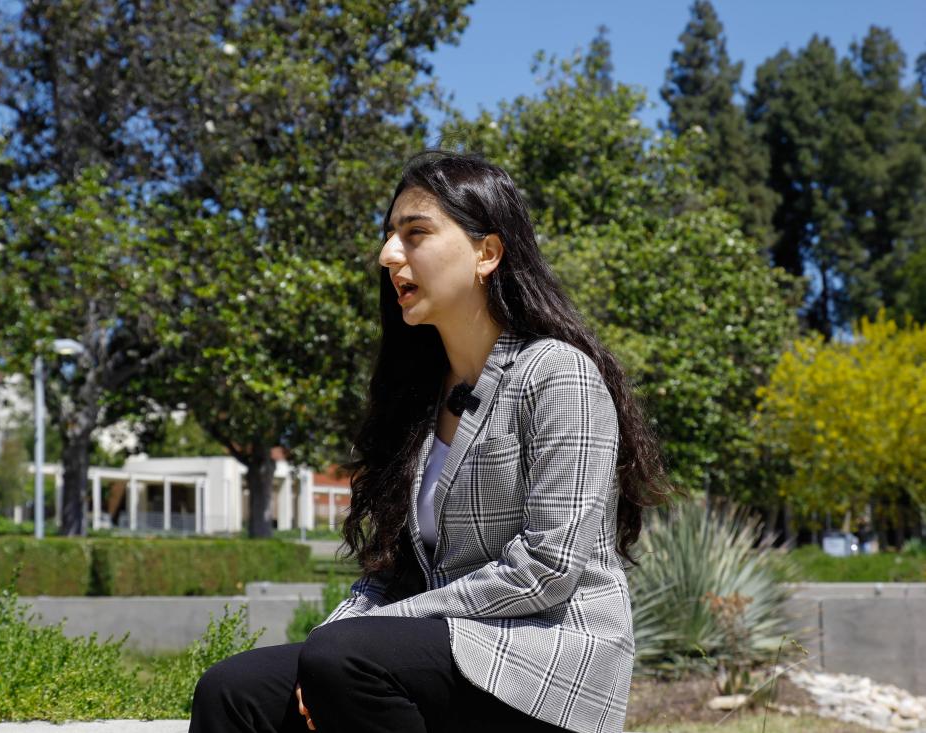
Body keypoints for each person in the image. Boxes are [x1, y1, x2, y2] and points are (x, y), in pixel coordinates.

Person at [188, 150, 672, 733]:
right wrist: (337, 630)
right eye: (391, 236)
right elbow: (393, 572)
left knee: (343, 660)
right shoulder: (419, 397)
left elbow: (548, 567)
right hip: (440, 649)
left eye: (415, 233)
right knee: (232, 690)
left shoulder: (555, 373)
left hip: (546, 658)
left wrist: (366, 635)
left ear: (486, 253)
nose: (389, 255)